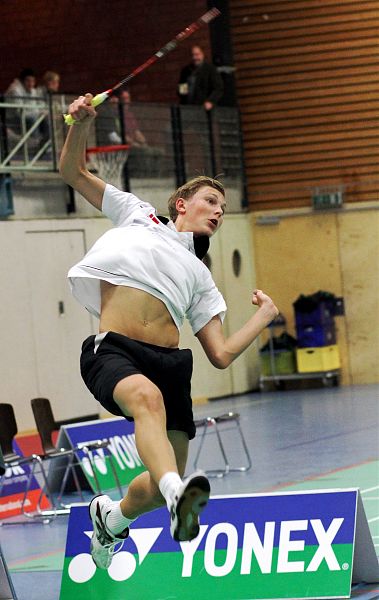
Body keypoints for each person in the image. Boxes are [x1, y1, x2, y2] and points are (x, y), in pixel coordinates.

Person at [59, 93, 278, 571]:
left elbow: (219, 353)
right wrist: (80, 124)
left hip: (172, 365)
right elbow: (73, 172)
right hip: (115, 351)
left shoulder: (202, 277)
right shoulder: (138, 214)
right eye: (210, 201)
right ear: (182, 203)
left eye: (223, 208)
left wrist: (263, 319)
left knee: (160, 478)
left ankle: (112, 518)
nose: (218, 212)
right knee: (149, 407)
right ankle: (179, 496)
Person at [178, 45, 224, 111]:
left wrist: (210, 101)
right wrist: (183, 97)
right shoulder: (186, 71)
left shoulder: (210, 69)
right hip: (188, 108)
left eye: (197, 54)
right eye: (192, 55)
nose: (194, 57)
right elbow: (182, 88)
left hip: (204, 108)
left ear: (202, 54)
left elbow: (218, 88)